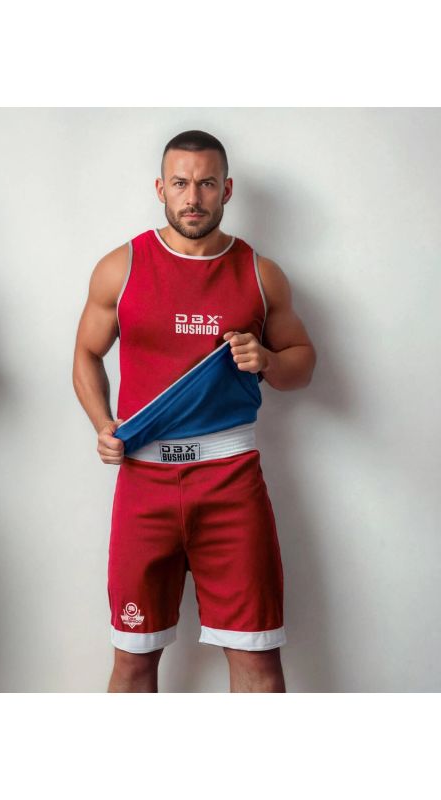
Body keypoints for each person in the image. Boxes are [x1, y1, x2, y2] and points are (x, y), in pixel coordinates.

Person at [73, 130, 315, 692]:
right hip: (144, 481)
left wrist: (267, 360)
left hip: (231, 479)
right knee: (133, 658)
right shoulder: (121, 267)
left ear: (226, 190)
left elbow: (302, 362)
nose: (193, 197)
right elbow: (85, 353)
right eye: (180, 183)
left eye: (206, 184)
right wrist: (102, 423)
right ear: (161, 188)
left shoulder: (260, 273)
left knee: (256, 658)